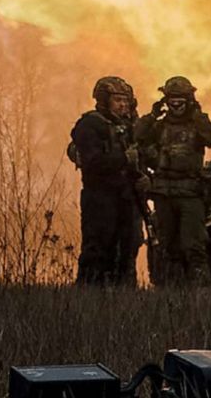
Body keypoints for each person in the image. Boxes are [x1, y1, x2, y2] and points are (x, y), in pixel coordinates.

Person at [135, 76, 211, 285]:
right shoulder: (157, 127)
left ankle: (200, 295)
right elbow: (136, 137)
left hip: (190, 194)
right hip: (163, 194)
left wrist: (199, 116)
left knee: (194, 247)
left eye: (181, 101)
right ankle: (172, 294)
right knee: (168, 248)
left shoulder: (197, 126)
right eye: (172, 101)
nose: (176, 106)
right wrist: (151, 116)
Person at [69, 76, 146, 285]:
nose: (123, 105)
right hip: (100, 197)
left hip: (127, 197)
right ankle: (91, 296)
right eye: (117, 100)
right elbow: (92, 162)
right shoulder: (91, 125)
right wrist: (123, 159)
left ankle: (124, 296)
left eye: (126, 101)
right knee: (98, 249)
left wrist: (144, 178)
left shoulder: (132, 128)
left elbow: (143, 157)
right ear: (104, 101)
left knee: (129, 248)